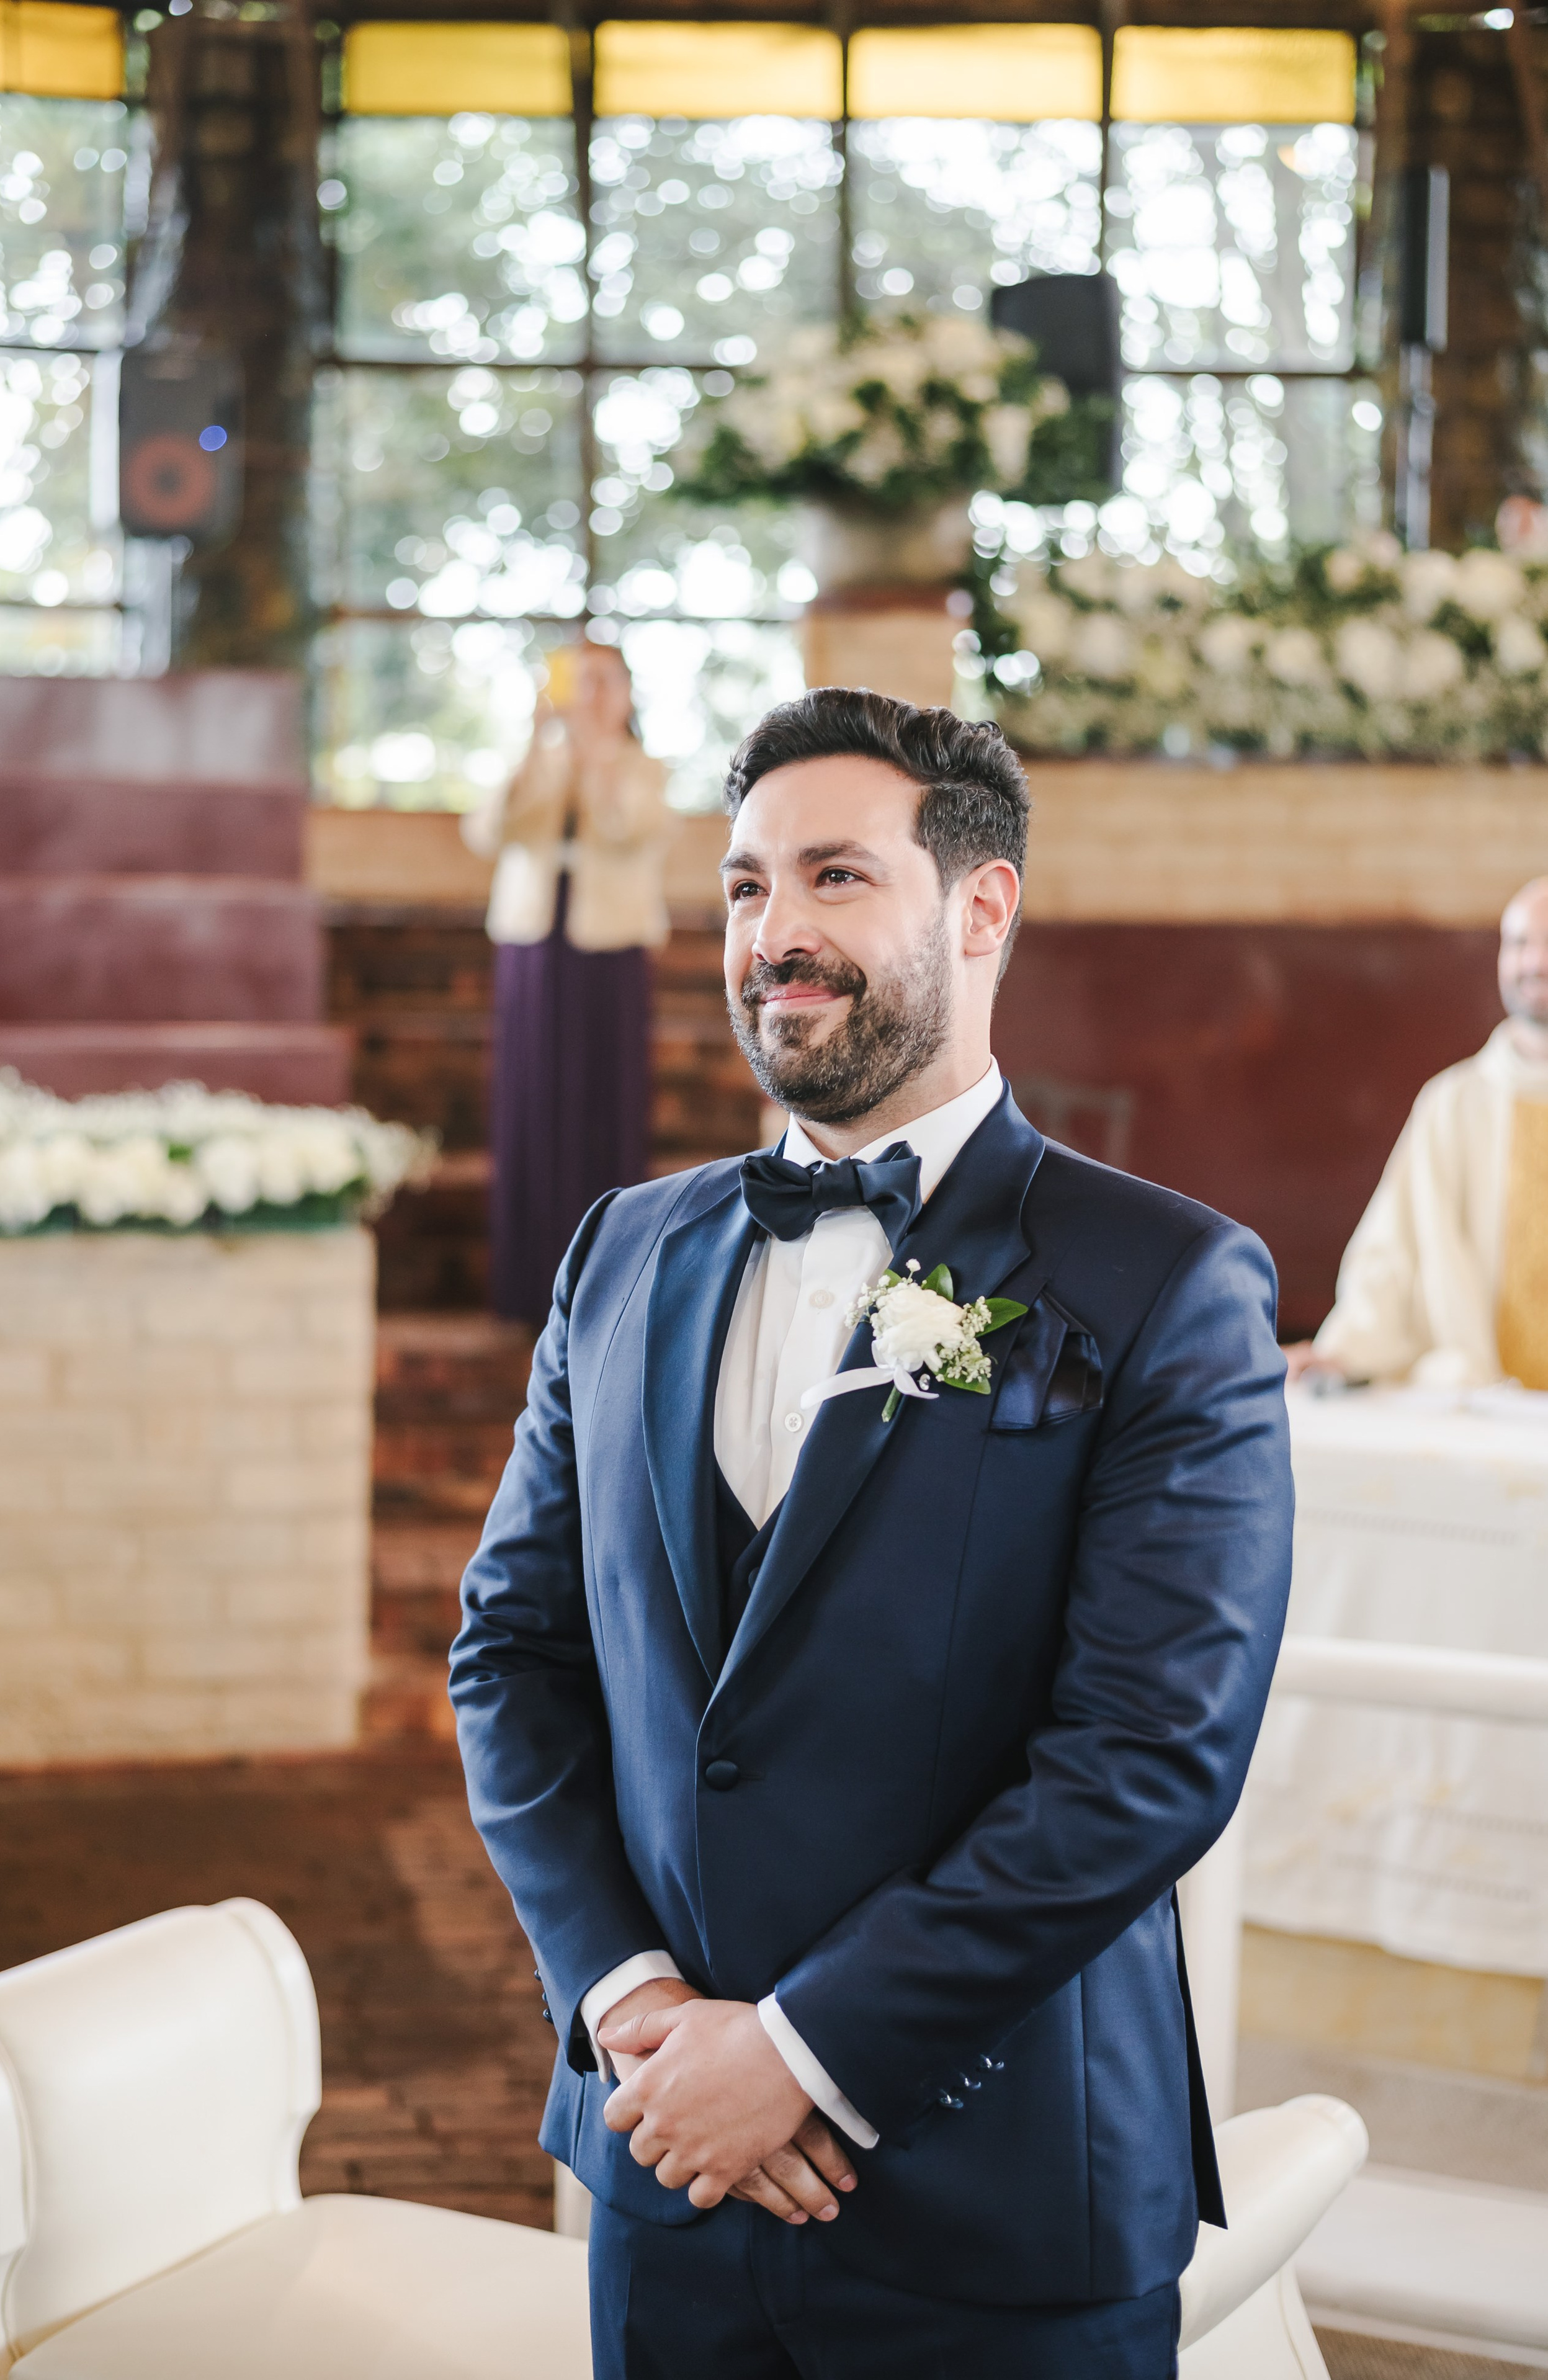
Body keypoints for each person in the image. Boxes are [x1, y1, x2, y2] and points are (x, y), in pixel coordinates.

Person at [450, 688, 1292, 2379]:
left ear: (982, 909)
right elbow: (515, 1656)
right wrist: (635, 2007)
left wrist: (807, 2049)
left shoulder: (1167, 1281)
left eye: (837, 877)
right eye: (748, 886)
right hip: (667, 2159)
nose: (777, 933)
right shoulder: (620, 1253)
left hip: (1002, 2195)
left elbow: (1144, 1757)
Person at [462, 638, 674, 1323]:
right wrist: (536, 740)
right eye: (578, 682)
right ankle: (525, 1279)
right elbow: (491, 830)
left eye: (604, 682)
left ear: (628, 693)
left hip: (607, 950)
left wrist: (596, 758)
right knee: (531, 1096)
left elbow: (626, 830)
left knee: (599, 1098)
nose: (590, 696)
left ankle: (603, 1279)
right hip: (533, 945)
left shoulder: (646, 769)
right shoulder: (538, 760)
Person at [1289, 875, 1548, 1391]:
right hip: (1487, 1407)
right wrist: (1340, 1351)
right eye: (1520, 943)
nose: (1535, 964)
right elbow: (1394, 1252)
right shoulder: (1453, 1103)